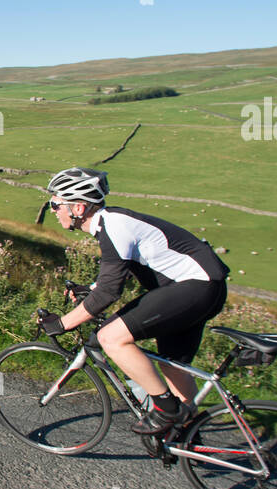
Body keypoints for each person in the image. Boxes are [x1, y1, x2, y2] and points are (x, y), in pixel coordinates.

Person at [41, 167, 229, 435]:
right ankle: (185, 434)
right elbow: (120, 270)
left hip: (194, 287)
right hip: (205, 288)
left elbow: (109, 293)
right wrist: (90, 288)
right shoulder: (113, 222)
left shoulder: (115, 226)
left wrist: (62, 323)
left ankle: (166, 410)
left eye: (56, 204)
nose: (53, 210)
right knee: (171, 363)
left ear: (79, 208)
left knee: (110, 338)